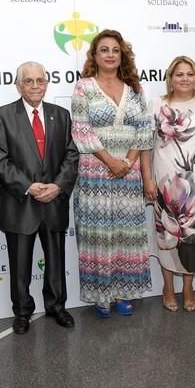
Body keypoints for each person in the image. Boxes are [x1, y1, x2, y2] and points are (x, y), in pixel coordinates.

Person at [0, 61, 79, 335]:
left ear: (46, 83)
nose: (34, 86)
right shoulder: (3, 116)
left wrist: (57, 186)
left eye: (40, 80)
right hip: (20, 202)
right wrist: (30, 187)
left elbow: (71, 155)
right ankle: (22, 312)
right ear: (18, 85)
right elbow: (1, 160)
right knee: (20, 264)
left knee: (56, 259)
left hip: (54, 201)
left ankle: (56, 306)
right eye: (28, 81)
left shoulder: (61, 115)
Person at [71, 29, 153, 318]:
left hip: (128, 176)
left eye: (115, 50)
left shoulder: (135, 89)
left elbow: (144, 129)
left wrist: (128, 163)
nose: (109, 54)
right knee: (99, 235)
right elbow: (81, 129)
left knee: (125, 234)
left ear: (122, 55)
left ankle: (122, 292)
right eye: (103, 49)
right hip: (96, 174)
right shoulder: (84, 87)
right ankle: (101, 295)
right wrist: (110, 162)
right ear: (94, 55)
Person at [142, 56, 195, 312]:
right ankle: (167, 287)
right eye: (179, 74)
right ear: (170, 78)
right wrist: (147, 179)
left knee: (193, 237)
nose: (185, 78)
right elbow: (146, 145)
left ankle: (188, 287)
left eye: (190, 74)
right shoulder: (157, 104)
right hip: (165, 186)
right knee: (166, 235)